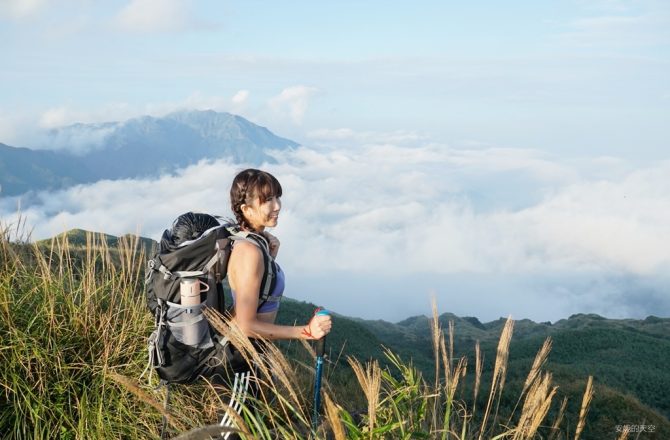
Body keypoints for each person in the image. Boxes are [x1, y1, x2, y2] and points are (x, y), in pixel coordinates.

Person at [219, 168, 332, 436]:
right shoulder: (249, 251)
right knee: (230, 435)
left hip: (252, 358)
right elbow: (245, 326)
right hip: (240, 360)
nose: (277, 206)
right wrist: (306, 332)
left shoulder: (253, 243)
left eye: (277, 197)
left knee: (249, 431)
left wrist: (270, 258)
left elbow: (255, 296)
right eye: (267, 200)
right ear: (246, 208)